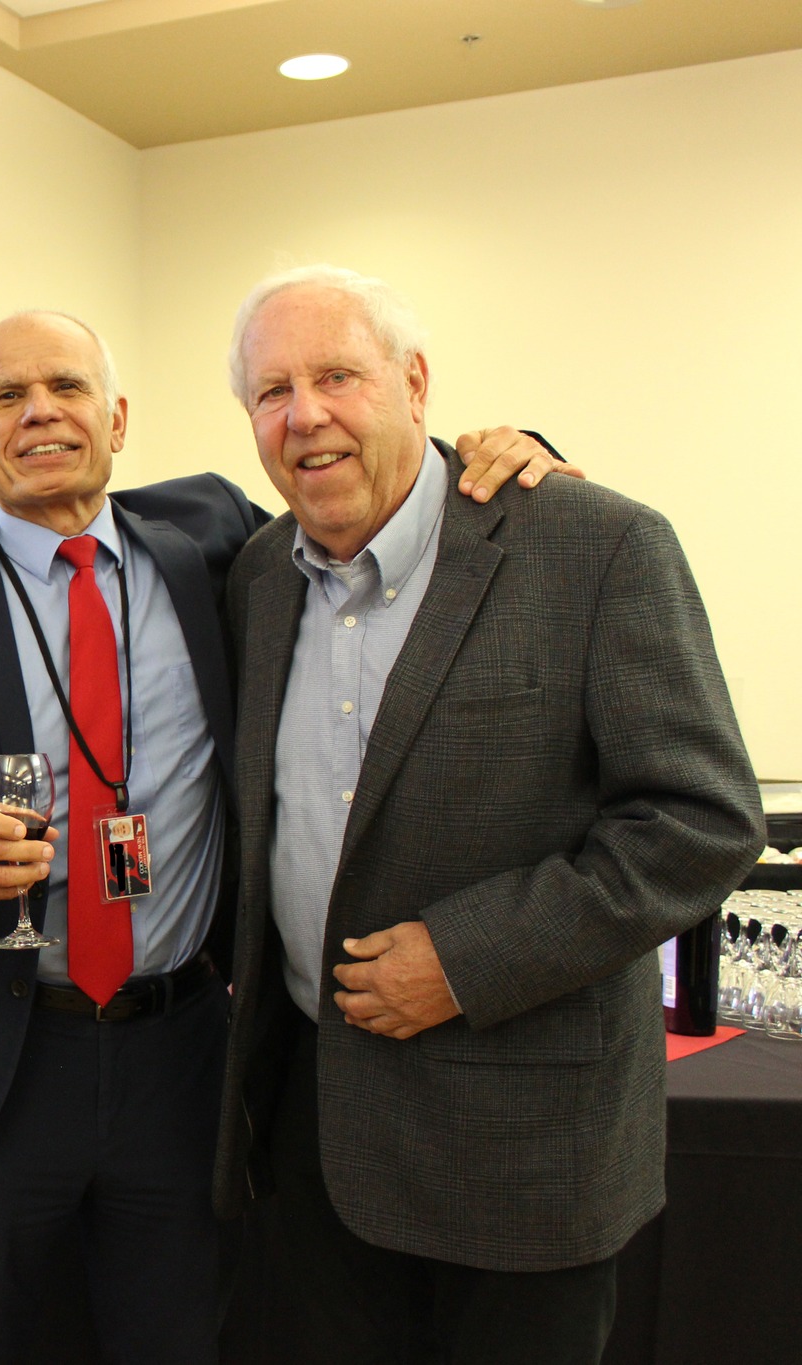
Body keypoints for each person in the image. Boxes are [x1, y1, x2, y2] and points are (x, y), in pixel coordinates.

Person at [0, 309, 561, 1363]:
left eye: (66, 387)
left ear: (117, 419)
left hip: (179, 1062)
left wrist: (516, 447)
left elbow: (375, 480)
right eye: (4, 398)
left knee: (176, 1341)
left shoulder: (220, 543)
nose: (39, 411)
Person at [212, 266, 764, 1364]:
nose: (303, 414)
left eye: (336, 375)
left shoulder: (594, 546)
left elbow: (698, 818)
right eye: (270, 390)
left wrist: (464, 958)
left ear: (414, 384)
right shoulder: (254, 575)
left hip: (521, 1149)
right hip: (312, 1134)